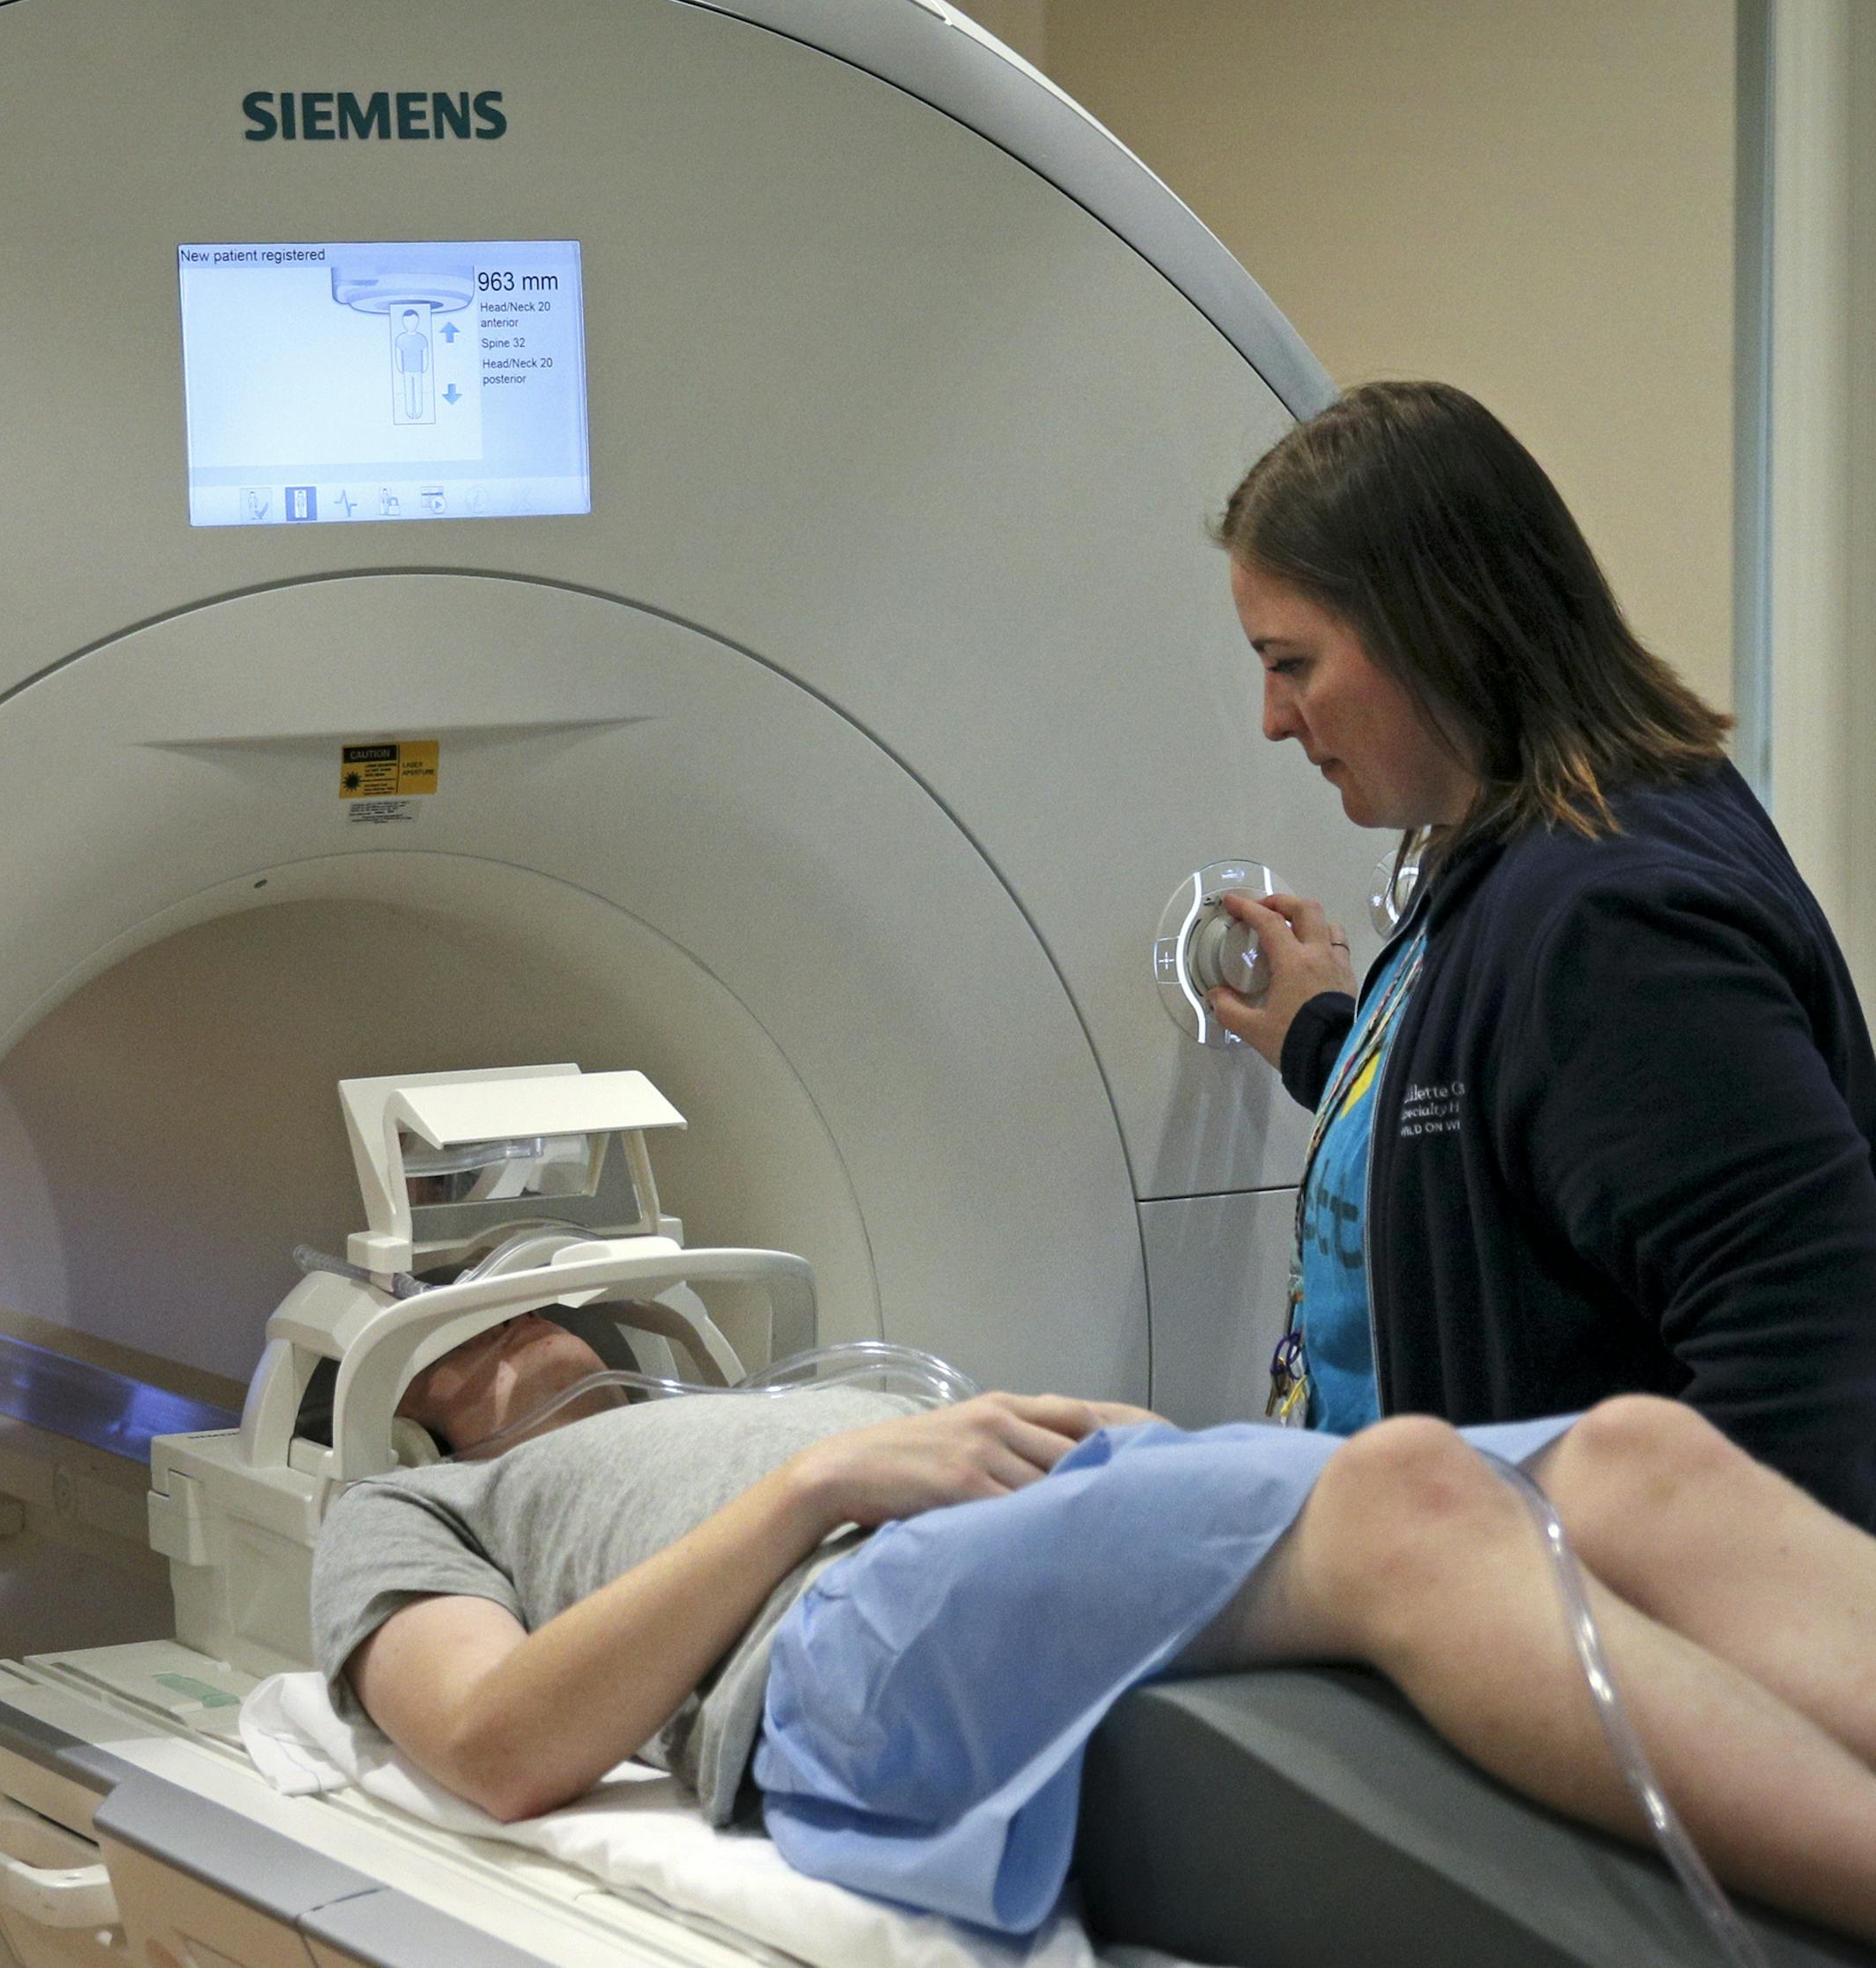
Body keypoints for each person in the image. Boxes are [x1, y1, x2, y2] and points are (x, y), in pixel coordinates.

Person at [311, 1311, 1876, 1944]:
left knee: (1635, 1454)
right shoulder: (421, 1508)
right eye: (459, 1301)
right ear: (411, 1402)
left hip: (1021, 1511)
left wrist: (1145, 1451)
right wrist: (812, 1487)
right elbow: (499, 1745)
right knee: (1409, 1496)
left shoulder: (780, 1382)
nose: (506, 1301)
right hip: (831, 1625)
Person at [1208, 380, 1876, 1528]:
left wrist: (1587, 1660)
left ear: (1436, 627)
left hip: (1587, 1659)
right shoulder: (1511, 851)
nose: (1273, 717)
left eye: (1293, 662)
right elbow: (1507, 1136)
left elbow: (1811, 1367)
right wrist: (1332, 1036)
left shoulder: (1617, 920)